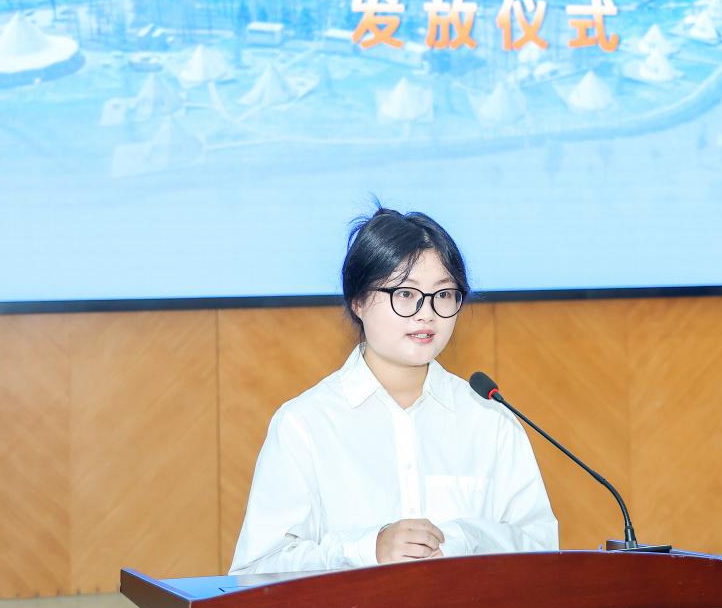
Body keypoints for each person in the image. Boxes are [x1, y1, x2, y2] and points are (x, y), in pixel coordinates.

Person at [228, 208, 558, 574]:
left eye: (444, 294)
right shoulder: (305, 424)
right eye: (405, 292)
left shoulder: (489, 418)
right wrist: (368, 549)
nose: (427, 313)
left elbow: (541, 550)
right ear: (358, 301)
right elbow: (257, 570)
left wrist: (464, 539)